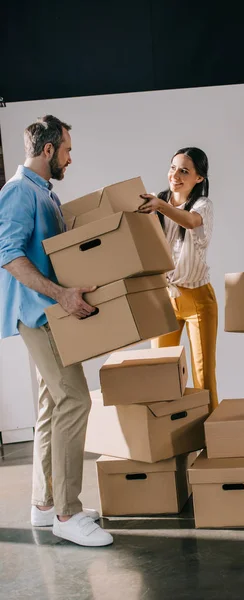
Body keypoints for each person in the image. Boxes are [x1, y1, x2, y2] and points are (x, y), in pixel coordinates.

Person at [0, 115, 113, 546]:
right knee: (74, 400)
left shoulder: (44, 193)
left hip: (53, 314)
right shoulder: (18, 193)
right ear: (47, 150)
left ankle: (46, 504)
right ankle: (69, 512)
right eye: (66, 148)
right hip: (38, 313)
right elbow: (8, 255)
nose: (70, 156)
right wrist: (60, 295)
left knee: (52, 404)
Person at [138, 147, 218, 411]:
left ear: (199, 178)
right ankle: (168, 436)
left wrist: (160, 205)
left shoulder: (202, 206)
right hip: (164, 299)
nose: (176, 175)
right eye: (173, 168)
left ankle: (212, 438)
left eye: (185, 170)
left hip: (197, 299)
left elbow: (190, 222)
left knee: (203, 376)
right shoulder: (156, 202)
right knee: (162, 374)